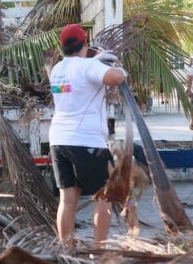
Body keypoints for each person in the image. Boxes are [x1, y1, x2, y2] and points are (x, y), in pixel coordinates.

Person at [48, 24, 126, 246]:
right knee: (104, 198)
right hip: (86, 141)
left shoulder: (57, 70)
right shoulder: (87, 66)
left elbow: (77, 86)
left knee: (67, 199)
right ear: (84, 43)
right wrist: (120, 70)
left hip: (59, 140)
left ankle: (68, 251)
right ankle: (98, 252)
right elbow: (113, 78)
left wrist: (95, 59)